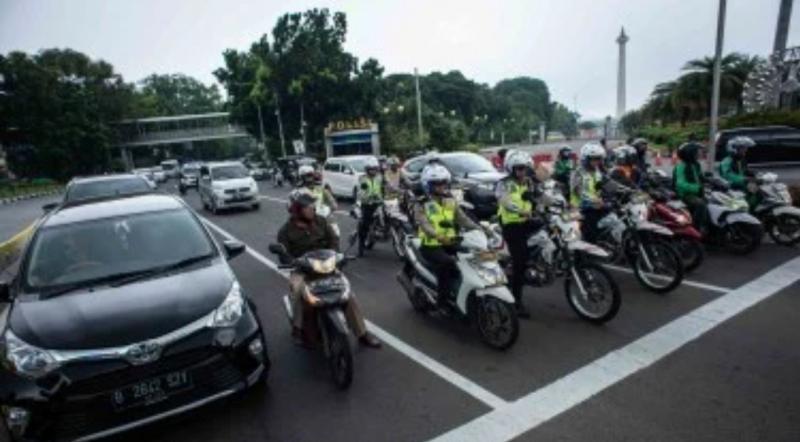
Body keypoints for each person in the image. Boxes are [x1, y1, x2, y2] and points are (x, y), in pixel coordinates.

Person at [278, 189, 381, 348]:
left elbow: (334, 240)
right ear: (296, 209)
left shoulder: (321, 221)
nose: (311, 209)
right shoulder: (285, 231)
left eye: (312, 206)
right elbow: (284, 254)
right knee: (299, 291)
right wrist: (291, 261)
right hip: (303, 270)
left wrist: (337, 256)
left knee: (348, 295)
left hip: (326, 265)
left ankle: (362, 334)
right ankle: (298, 330)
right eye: (306, 207)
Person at [415, 163, 480, 309]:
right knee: (448, 263)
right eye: (436, 184)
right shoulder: (421, 204)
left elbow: (462, 219)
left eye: (443, 183)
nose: (441, 186)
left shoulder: (450, 200)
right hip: (431, 245)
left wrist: (481, 228)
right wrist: (438, 236)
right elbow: (424, 225)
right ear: (428, 185)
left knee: (474, 256)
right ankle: (442, 302)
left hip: (451, 242)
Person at [496, 149, 540, 318]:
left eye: (525, 168)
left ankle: (538, 261)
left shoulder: (528, 182)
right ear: (511, 168)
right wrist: (520, 211)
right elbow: (505, 202)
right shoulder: (503, 184)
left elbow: (539, 196)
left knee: (548, 230)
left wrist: (555, 203)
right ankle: (516, 302)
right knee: (519, 261)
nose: (523, 172)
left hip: (526, 221)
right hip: (511, 224)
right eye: (519, 168)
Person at [571, 143, 608, 242]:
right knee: (591, 234)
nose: (597, 161)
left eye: (599, 158)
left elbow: (609, 184)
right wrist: (593, 200)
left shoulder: (598, 172)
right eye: (594, 159)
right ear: (585, 159)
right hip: (581, 209)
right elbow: (578, 191)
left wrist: (630, 191)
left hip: (596, 206)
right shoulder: (577, 172)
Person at [674, 142, 709, 233]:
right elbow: (680, 184)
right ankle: (695, 228)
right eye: (697, 152)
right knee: (700, 204)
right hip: (685, 194)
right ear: (690, 153)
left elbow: (699, 177)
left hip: (696, 192)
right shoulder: (681, 167)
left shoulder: (696, 165)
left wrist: (710, 180)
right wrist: (696, 188)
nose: (700, 153)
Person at [357, 156, 384, 256]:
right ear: (367, 169)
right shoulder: (362, 179)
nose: (373, 171)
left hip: (379, 202)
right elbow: (360, 193)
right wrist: (368, 195)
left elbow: (385, 187)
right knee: (365, 224)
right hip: (367, 204)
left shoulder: (379, 177)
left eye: (375, 169)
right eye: (371, 169)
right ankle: (361, 245)